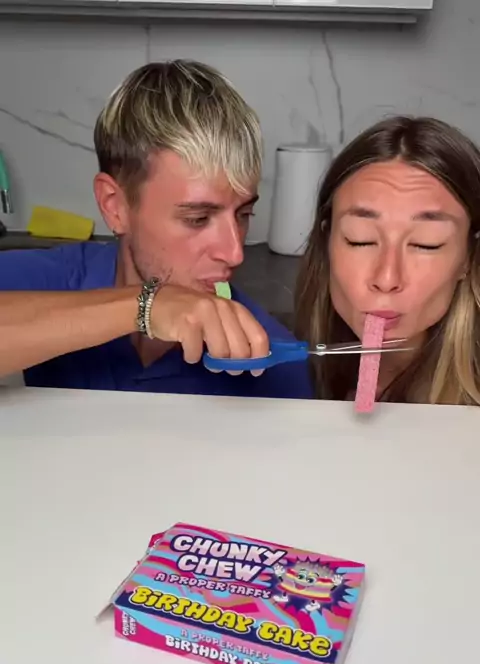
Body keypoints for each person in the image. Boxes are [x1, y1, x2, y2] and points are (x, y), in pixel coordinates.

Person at [0, 60, 312, 399]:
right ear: (115, 206)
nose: (234, 253)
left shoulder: (272, 363)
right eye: (197, 218)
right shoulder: (54, 281)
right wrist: (144, 306)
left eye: (244, 214)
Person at [294, 115, 480, 405]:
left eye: (426, 243)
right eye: (360, 239)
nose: (386, 278)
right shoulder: (283, 368)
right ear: (327, 241)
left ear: (468, 257)